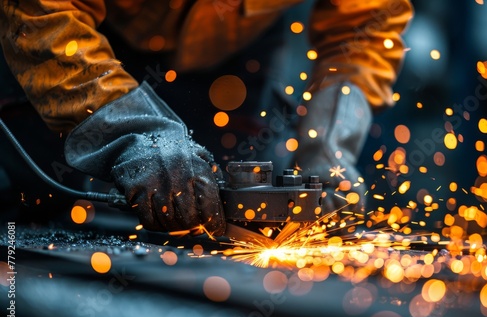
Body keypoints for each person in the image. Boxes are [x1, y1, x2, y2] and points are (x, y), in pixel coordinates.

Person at [0, 0, 413, 236]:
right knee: (40, 213)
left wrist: (330, 141)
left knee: (225, 221)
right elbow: (44, 11)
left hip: (236, 51)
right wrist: (129, 129)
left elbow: (367, 23)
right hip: (85, 43)